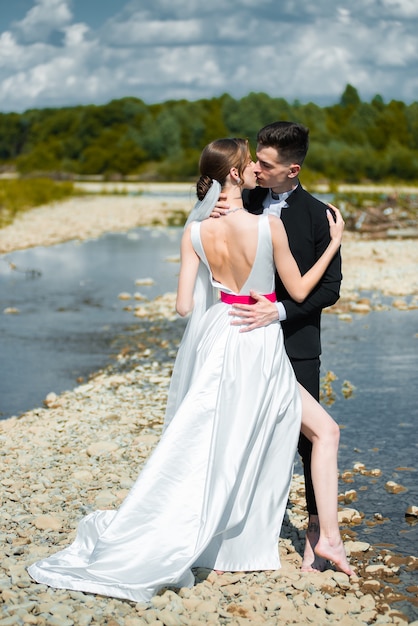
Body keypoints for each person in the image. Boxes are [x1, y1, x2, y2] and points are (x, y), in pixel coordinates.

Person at [28, 138, 353, 605]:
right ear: (239, 175)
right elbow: (300, 291)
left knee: (213, 437)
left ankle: (229, 536)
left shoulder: (196, 231)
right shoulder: (270, 225)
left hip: (219, 332)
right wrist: (335, 242)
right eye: (251, 165)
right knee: (312, 433)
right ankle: (309, 539)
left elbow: (184, 306)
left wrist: (215, 277)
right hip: (257, 339)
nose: (257, 171)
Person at [214, 122, 343, 572]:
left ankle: (314, 531)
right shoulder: (244, 204)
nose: (256, 169)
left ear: (293, 169)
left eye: (266, 165)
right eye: (255, 162)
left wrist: (281, 312)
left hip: (297, 345)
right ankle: (238, 525)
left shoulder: (319, 215)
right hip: (246, 339)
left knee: (308, 441)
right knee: (242, 428)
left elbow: (330, 289)